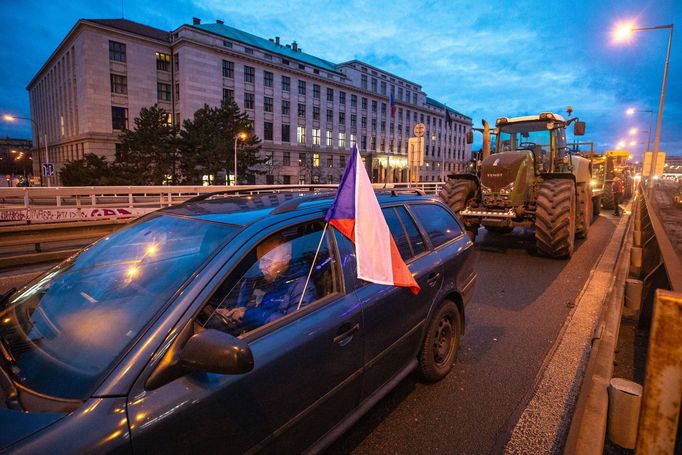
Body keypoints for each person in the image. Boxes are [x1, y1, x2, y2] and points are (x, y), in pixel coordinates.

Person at [208, 232, 316, 334]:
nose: (260, 267)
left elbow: (295, 327)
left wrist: (248, 314)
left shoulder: (301, 286)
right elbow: (243, 306)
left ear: (285, 260)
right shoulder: (256, 280)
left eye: (267, 262)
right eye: (260, 260)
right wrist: (229, 313)